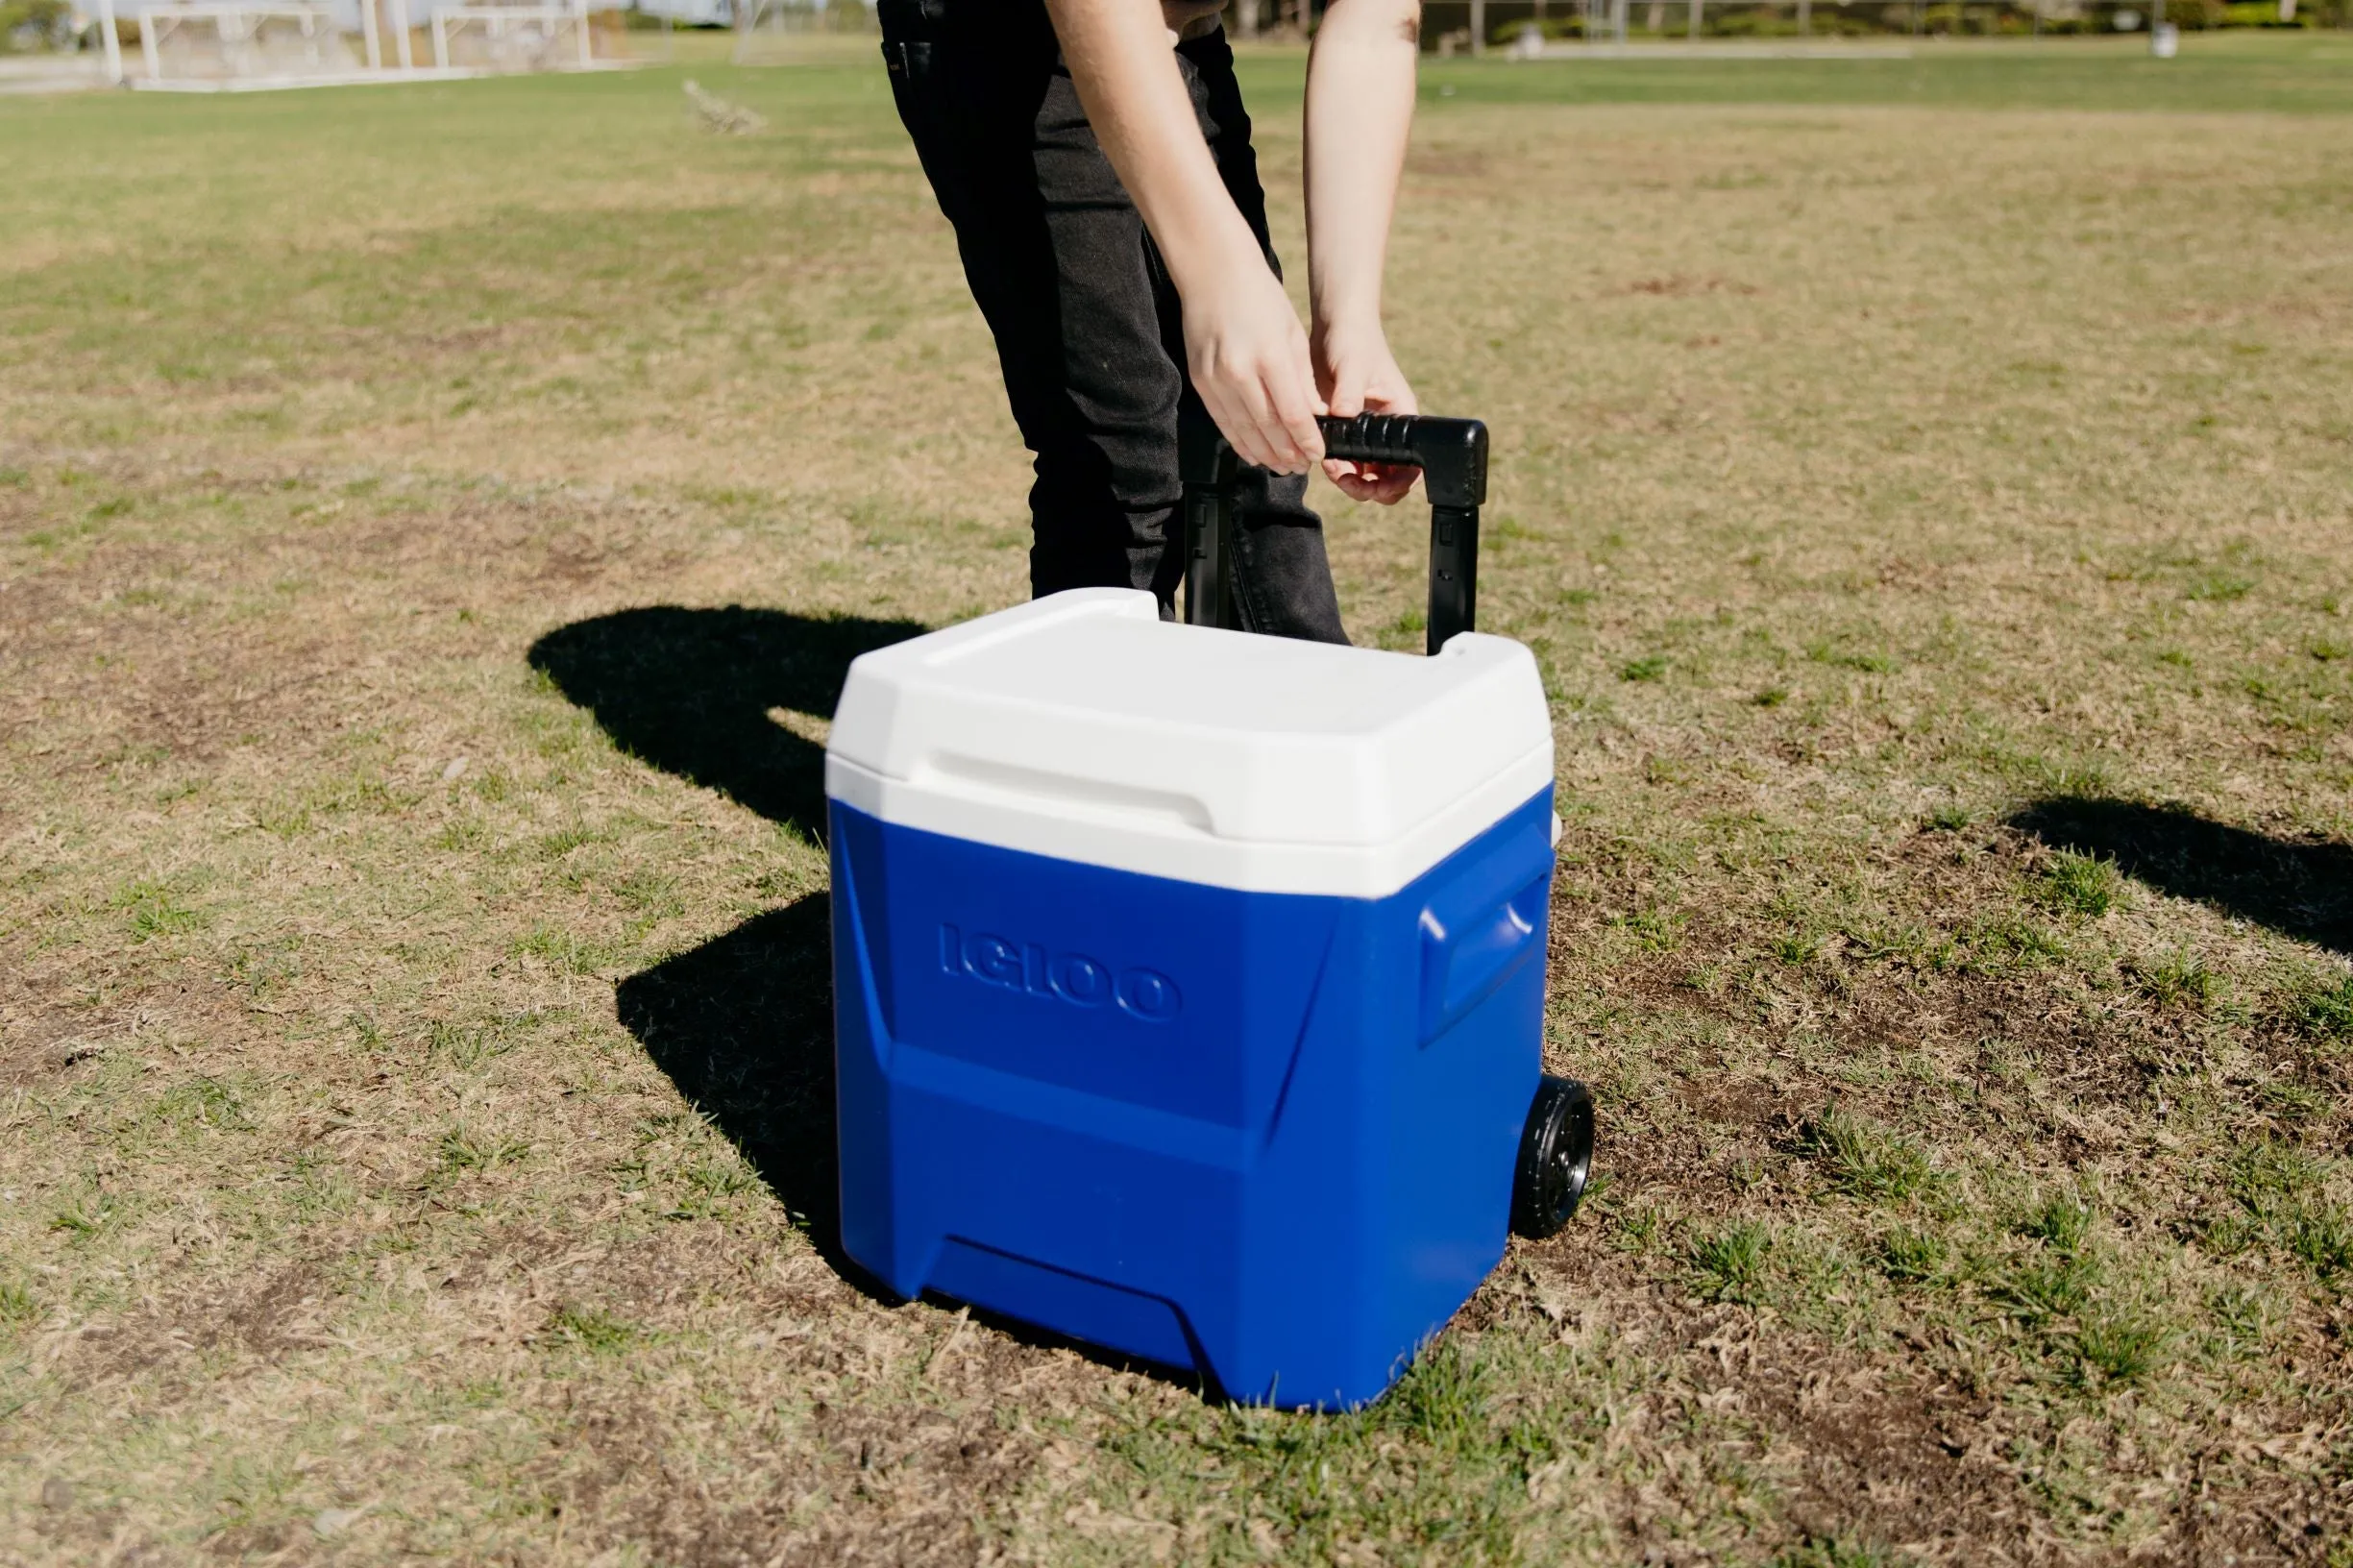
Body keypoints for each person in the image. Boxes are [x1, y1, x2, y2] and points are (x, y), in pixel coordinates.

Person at [876, 0, 1425, 644]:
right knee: (1119, 457)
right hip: (1007, 38)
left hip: (1181, 32)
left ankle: (1298, 708)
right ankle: (1102, 725)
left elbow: (1373, 28)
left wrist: (1347, 321)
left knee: (1261, 426)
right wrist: (1219, 278)